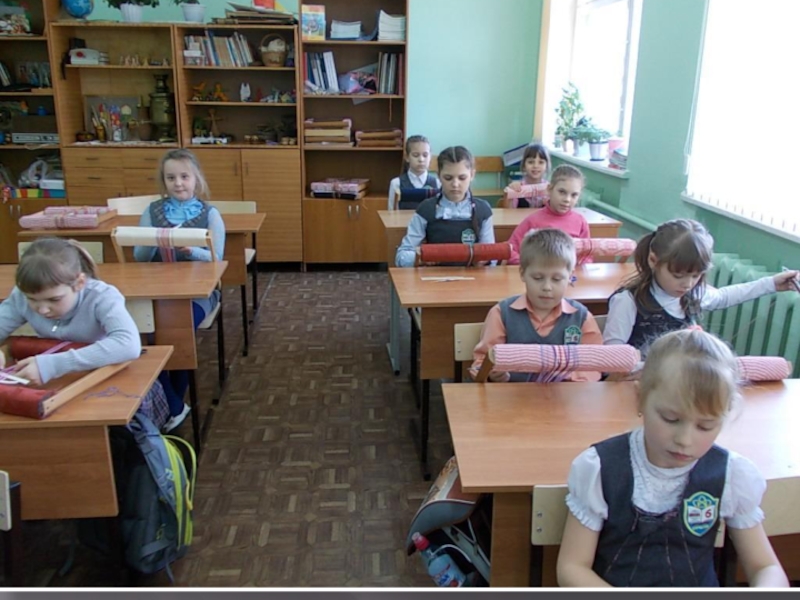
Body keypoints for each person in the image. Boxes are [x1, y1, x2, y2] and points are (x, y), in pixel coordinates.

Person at [557, 329, 790, 588]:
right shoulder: (601, 468)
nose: (685, 440)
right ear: (640, 399)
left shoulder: (730, 474)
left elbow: (765, 567)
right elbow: (572, 567)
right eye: (670, 419)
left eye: (705, 426)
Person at [0, 238, 169, 426]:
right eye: (32, 299)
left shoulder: (102, 296)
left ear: (79, 282)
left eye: (54, 300)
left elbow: (128, 345)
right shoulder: (21, 296)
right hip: (62, 384)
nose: (42, 310)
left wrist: (52, 365)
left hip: (109, 380)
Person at [603, 218, 800, 359]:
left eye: (696, 276)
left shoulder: (692, 295)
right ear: (653, 260)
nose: (688, 284)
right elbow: (612, 358)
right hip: (641, 386)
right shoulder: (629, 301)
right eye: (678, 275)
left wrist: (771, 284)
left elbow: (724, 296)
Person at [134, 148, 226, 432]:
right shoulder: (152, 212)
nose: (178, 183)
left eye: (184, 176)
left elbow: (217, 260)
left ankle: (172, 405)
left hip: (198, 293)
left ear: (196, 178)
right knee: (145, 342)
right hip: (157, 291)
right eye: (171, 177)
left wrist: (192, 251)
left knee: (178, 333)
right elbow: (139, 256)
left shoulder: (211, 215)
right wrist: (152, 241)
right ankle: (174, 404)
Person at [470, 228, 602, 382]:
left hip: (566, 396)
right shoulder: (502, 313)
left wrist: (567, 377)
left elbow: (595, 365)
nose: (547, 287)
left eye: (557, 279)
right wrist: (491, 374)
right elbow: (480, 363)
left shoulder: (581, 317)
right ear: (522, 273)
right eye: (538, 278)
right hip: (512, 396)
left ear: (570, 277)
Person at [395, 145, 494, 268]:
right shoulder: (426, 209)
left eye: (462, 178)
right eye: (448, 178)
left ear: (472, 175)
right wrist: (421, 257)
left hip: (473, 277)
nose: (455, 184)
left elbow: (492, 257)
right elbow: (401, 256)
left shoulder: (483, 210)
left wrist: (486, 260)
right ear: (439, 176)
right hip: (435, 276)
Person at [507, 164, 590, 265]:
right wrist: (530, 266)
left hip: (570, 273)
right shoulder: (533, 220)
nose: (567, 199)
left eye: (574, 195)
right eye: (562, 192)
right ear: (549, 189)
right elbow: (510, 250)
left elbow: (587, 255)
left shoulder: (580, 222)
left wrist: (577, 266)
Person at [387, 135, 440, 211]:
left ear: (430, 157)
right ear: (407, 157)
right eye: (416, 155)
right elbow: (391, 213)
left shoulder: (438, 183)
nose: (421, 159)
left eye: (425, 155)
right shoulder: (396, 183)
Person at [497, 142, 551, 209]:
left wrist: (549, 203)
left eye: (541, 162)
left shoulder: (550, 188)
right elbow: (508, 212)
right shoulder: (518, 187)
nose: (535, 166)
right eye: (531, 162)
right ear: (524, 166)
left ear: (546, 166)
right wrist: (509, 193)